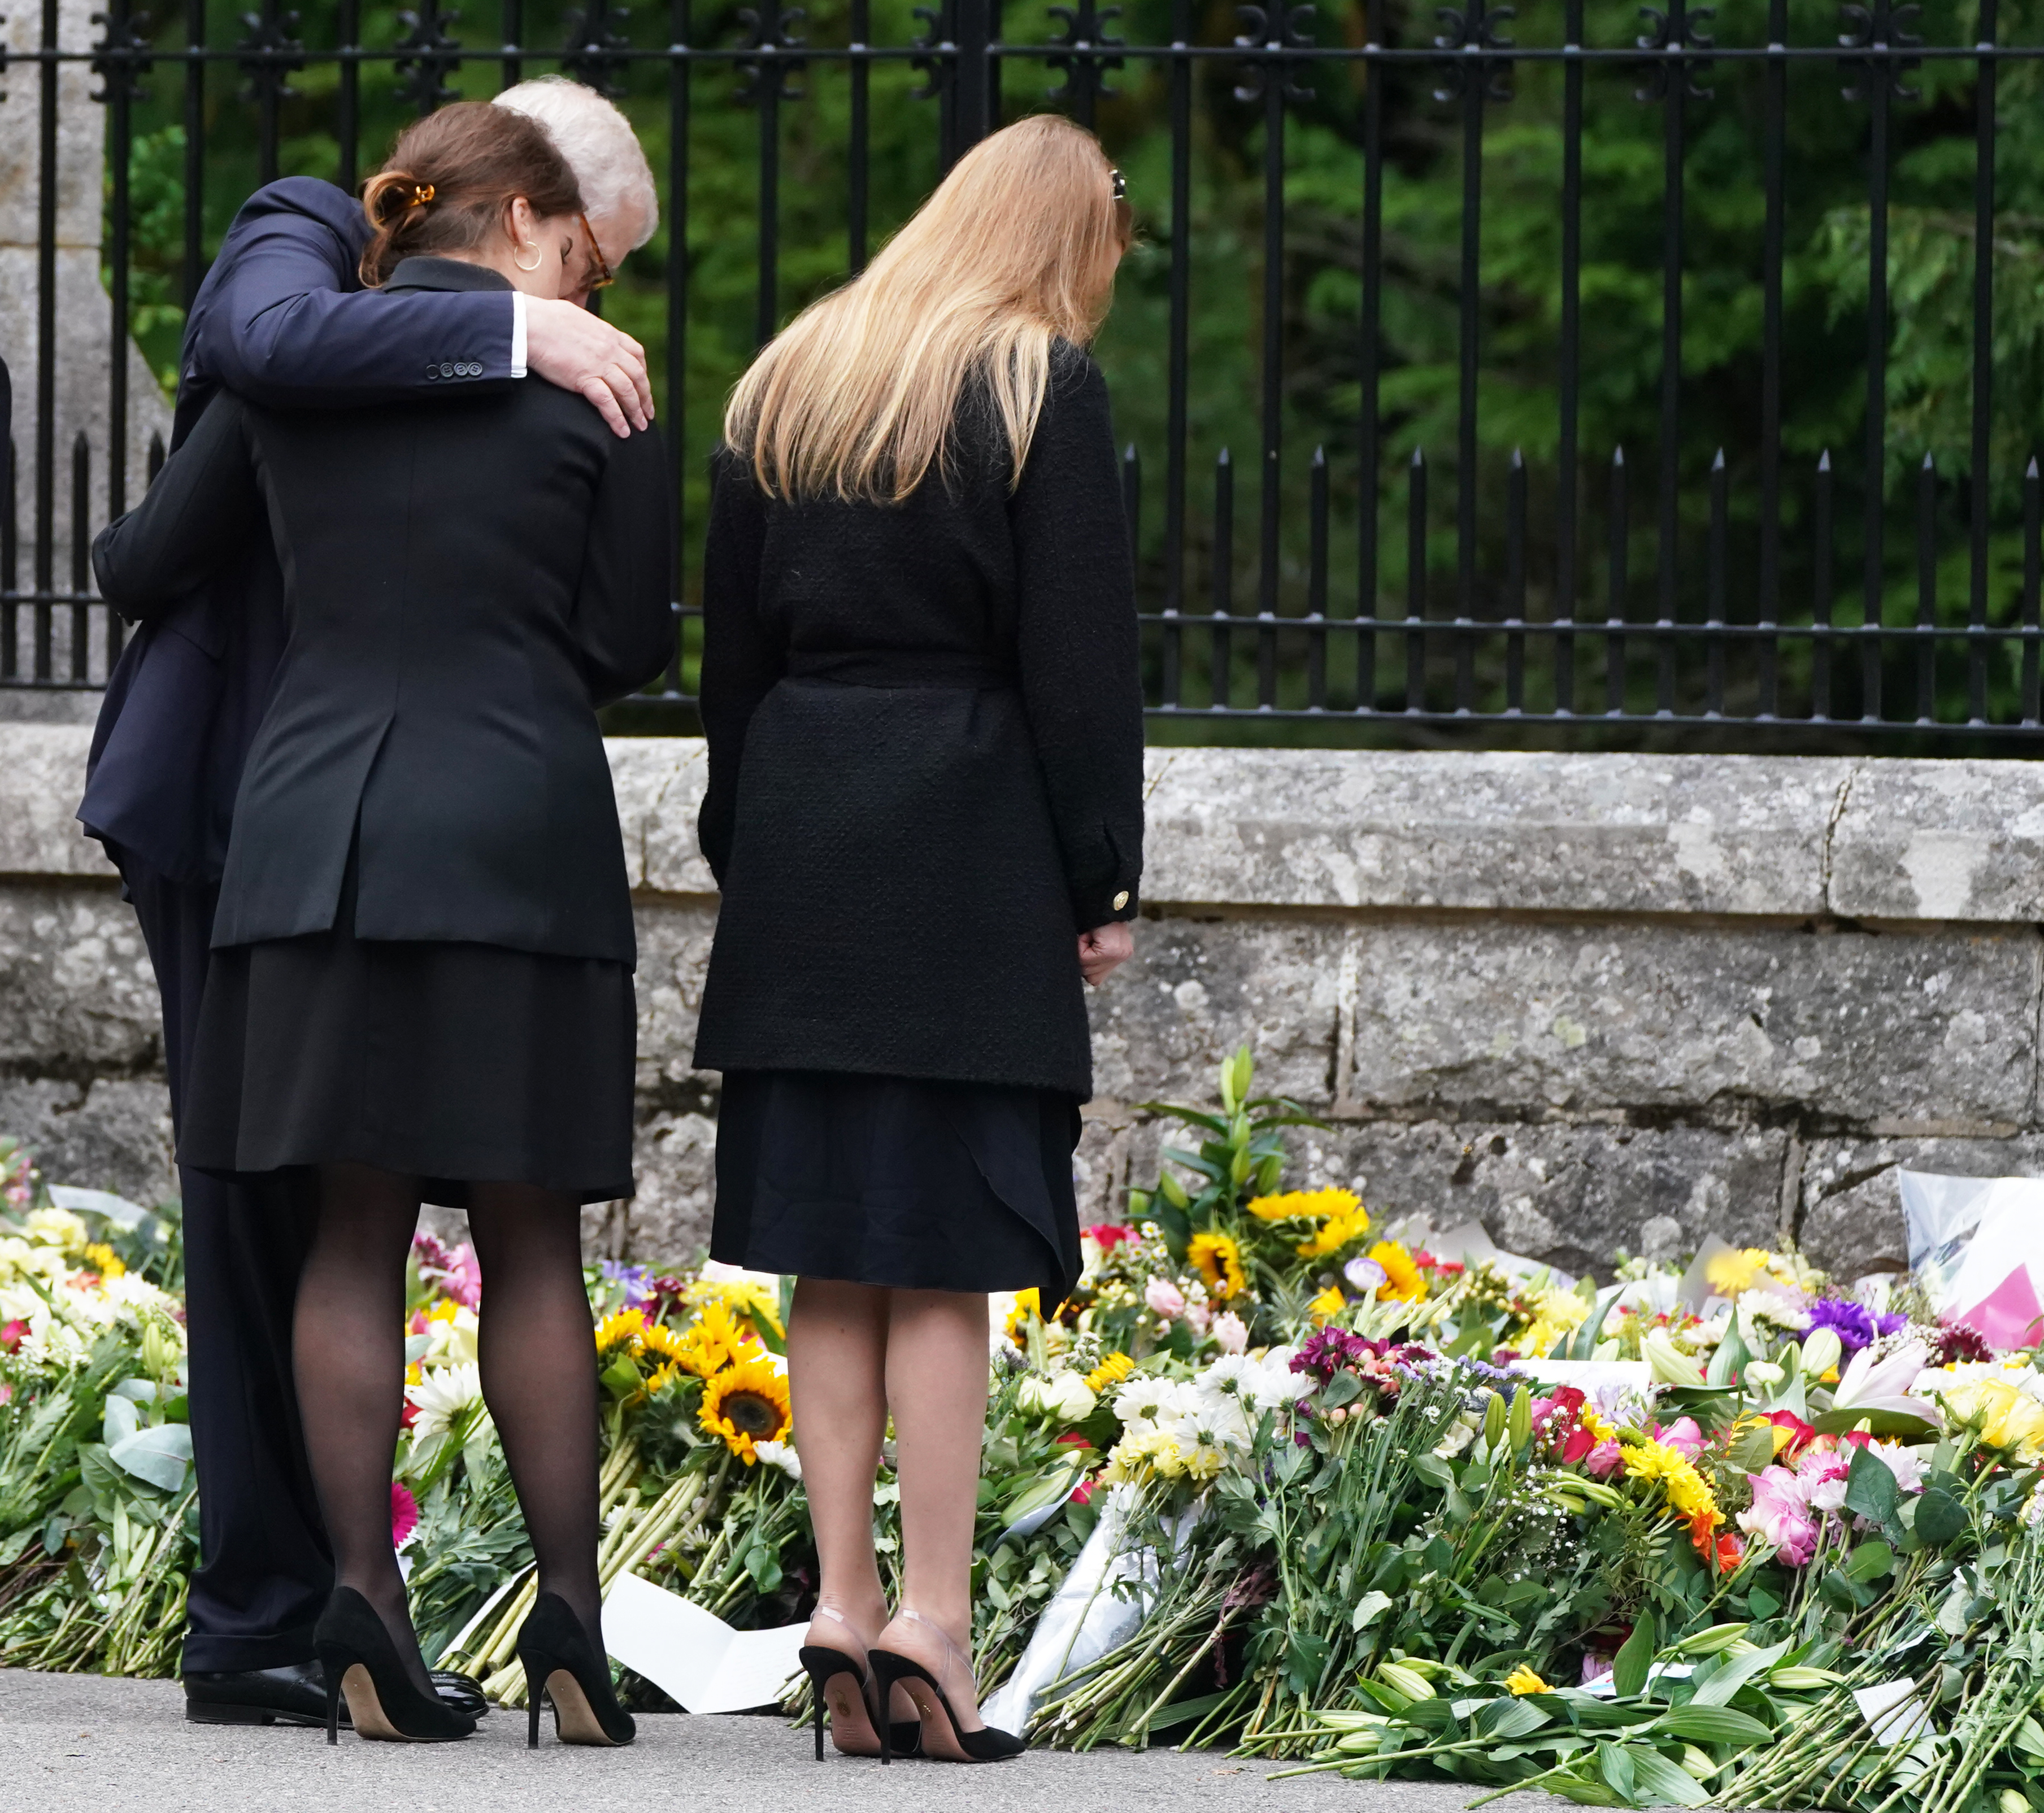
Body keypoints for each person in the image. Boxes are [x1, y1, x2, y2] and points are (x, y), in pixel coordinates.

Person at [75, 79, 659, 1730]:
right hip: (516, 833)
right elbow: (626, 643)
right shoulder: (597, 398)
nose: (589, 292)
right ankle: (568, 1624)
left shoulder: (289, 382)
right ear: (534, 221)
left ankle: (361, 1606)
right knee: (530, 1230)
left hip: (313, 827)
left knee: (352, 1227)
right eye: (586, 256)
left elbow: (143, 556)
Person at [695, 114, 1143, 1764]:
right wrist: (1098, 876)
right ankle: (934, 1630)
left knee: (832, 1246)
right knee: (942, 1255)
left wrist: (750, 849)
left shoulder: (793, 374)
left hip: (806, 837)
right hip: (965, 846)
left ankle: (835, 1598)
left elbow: (728, 670)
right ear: (1059, 239)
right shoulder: (1036, 385)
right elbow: (1078, 668)